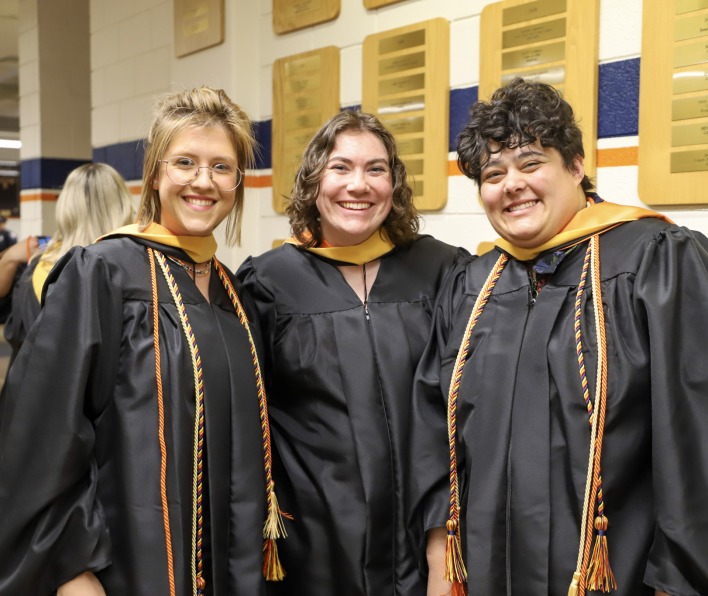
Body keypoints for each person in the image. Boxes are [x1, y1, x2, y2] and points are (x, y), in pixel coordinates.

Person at [411, 77, 708, 596]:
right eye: (493, 173)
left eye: (531, 163)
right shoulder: (472, 286)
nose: (511, 184)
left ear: (575, 167)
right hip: (484, 573)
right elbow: (435, 430)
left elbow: (694, 438)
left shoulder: (655, 262)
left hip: (616, 574)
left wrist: (680, 579)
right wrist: (442, 559)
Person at [0, 87, 287, 595]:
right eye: (186, 162)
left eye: (222, 167)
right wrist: (70, 569)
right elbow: (40, 434)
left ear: (239, 184)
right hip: (124, 567)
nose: (204, 181)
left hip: (225, 568)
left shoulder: (233, 292)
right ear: (155, 173)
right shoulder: (102, 274)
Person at [237, 110, 469, 595]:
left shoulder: (444, 271)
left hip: (426, 537)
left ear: (394, 184)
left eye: (376, 169)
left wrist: (444, 536)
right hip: (312, 544)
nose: (358, 185)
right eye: (340, 167)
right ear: (313, 182)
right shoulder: (268, 282)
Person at [3, 163, 134, 361]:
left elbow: (18, 340)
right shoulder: (138, 270)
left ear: (65, 206)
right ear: (123, 203)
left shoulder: (39, 268)